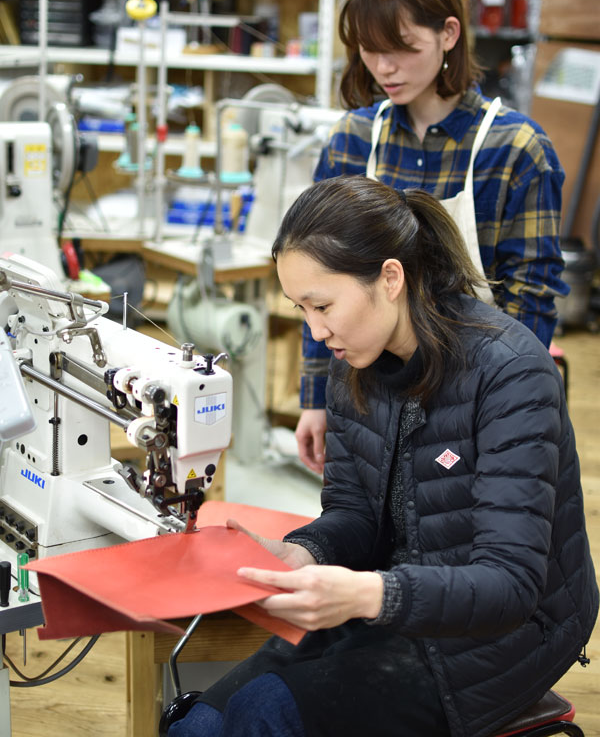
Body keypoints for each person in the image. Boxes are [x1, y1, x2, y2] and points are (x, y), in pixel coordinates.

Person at [168, 175, 597, 737]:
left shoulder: (510, 373)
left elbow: (511, 584)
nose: (315, 331)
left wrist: (371, 593)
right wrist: (305, 551)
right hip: (395, 600)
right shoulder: (353, 367)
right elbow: (356, 513)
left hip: (512, 630)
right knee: (195, 725)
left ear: (390, 278)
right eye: (301, 309)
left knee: (262, 716)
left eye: (322, 305)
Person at [296, 0, 568, 474]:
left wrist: (502, 411)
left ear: (448, 33)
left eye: (402, 48)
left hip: (478, 398)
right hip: (371, 398)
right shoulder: (353, 142)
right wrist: (315, 396)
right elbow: (318, 284)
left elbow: (530, 296)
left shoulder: (513, 150)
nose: (384, 68)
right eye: (369, 51)